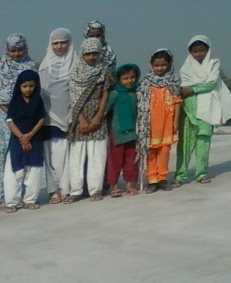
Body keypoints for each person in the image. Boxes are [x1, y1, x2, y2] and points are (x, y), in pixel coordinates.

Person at [174, 35, 231, 186]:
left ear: (207, 50)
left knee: (203, 143)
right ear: (190, 52)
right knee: (184, 145)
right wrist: (190, 91)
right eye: (195, 51)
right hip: (187, 109)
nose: (198, 54)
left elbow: (210, 84)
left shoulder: (213, 64)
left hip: (207, 108)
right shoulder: (185, 68)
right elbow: (183, 87)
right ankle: (180, 175)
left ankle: (201, 173)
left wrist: (192, 89)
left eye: (201, 50)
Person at [67, 37, 113, 202]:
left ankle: (96, 189)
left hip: (97, 117)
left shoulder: (104, 71)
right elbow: (73, 97)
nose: (92, 57)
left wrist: (98, 117)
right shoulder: (75, 72)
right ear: (82, 54)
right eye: (88, 54)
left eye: (95, 53)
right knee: (76, 155)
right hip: (79, 117)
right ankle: (76, 190)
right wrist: (82, 120)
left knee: (97, 155)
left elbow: (106, 93)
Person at [0, 34, 36, 206]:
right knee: (4, 153)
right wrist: (12, 111)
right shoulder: (1, 67)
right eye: (13, 50)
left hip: (26, 116)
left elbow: (35, 90)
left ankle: (22, 194)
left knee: (23, 150)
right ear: (7, 49)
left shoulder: (30, 65)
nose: (17, 53)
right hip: (5, 115)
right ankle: (0, 195)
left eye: (20, 50)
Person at [39, 28, 76, 204]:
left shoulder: (76, 63)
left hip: (68, 116)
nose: (60, 46)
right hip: (47, 118)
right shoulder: (44, 66)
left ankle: (66, 189)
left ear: (69, 43)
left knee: (65, 156)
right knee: (49, 157)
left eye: (63, 42)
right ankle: (53, 190)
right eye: (56, 43)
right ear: (50, 44)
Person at [136, 49, 181, 193]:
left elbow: (177, 102)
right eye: (156, 65)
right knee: (151, 152)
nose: (159, 68)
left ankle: (162, 178)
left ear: (169, 65)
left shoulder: (172, 82)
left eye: (163, 65)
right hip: (149, 125)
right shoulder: (146, 83)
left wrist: (176, 122)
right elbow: (140, 103)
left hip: (167, 124)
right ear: (151, 65)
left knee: (164, 151)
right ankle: (152, 180)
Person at [4, 70, 45, 213]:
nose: (28, 89)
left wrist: (30, 135)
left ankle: (30, 200)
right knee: (14, 172)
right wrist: (22, 138)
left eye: (31, 86)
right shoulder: (14, 102)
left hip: (35, 139)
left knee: (34, 171)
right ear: (19, 86)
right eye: (25, 86)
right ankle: (11, 202)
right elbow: (10, 122)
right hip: (17, 140)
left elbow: (41, 119)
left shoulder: (38, 100)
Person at [104, 64, 140, 197]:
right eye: (125, 78)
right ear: (119, 79)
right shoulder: (114, 94)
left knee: (131, 159)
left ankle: (129, 184)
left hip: (132, 132)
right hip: (117, 132)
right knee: (115, 160)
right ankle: (113, 185)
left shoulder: (137, 93)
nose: (129, 81)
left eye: (132, 77)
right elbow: (106, 111)